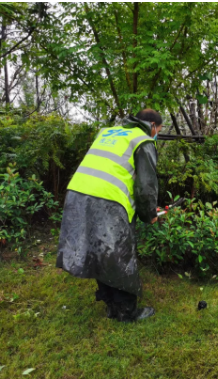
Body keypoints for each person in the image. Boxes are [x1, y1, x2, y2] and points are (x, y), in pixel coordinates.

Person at [56, 109, 162, 321]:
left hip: (78, 193)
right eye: (158, 130)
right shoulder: (142, 140)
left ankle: (110, 302)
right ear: (152, 125)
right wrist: (149, 214)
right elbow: (146, 187)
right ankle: (126, 311)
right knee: (120, 254)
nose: (157, 134)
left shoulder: (107, 133)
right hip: (108, 200)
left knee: (99, 250)